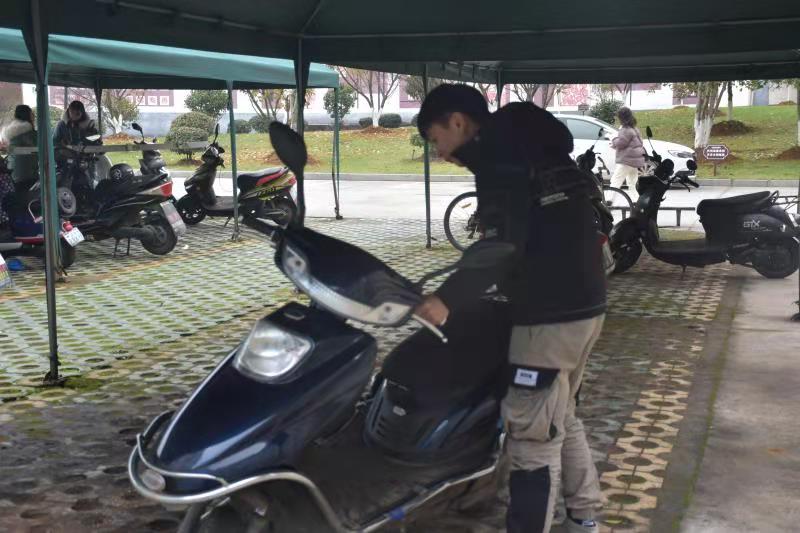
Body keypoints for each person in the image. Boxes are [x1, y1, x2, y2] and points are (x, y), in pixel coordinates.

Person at [415, 84, 606, 533]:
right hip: (586, 304)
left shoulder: (499, 158)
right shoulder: (529, 147)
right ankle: (584, 518)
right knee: (560, 416)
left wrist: (446, 299)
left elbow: (501, 245)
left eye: (436, 139)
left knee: (530, 437)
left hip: (549, 316)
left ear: (457, 122)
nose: (440, 152)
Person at [609, 106, 645, 200]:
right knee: (632, 183)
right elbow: (637, 143)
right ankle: (636, 201)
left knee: (615, 180)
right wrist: (614, 145)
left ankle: (609, 201)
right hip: (635, 161)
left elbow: (621, 143)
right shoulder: (634, 128)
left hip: (627, 161)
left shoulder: (625, 129)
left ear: (621, 117)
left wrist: (613, 139)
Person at [1, 105, 38, 185]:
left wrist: (9, 149)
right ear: (27, 115)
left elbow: (10, 151)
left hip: (13, 176)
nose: (34, 116)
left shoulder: (7, 133)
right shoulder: (32, 135)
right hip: (30, 176)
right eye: (32, 114)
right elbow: (37, 151)